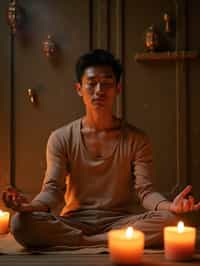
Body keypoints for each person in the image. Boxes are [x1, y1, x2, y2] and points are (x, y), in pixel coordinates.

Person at [2, 49, 200, 250]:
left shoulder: (136, 139)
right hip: (74, 222)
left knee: (171, 219)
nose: (99, 90)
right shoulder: (61, 137)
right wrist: (28, 207)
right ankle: (105, 241)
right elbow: (52, 191)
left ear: (118, 88)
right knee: (20, 223)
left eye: (106, 83)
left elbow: (146, 192)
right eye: (91, 83)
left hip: (121, 222)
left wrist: (170, 206)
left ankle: (86, 242)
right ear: (79, 88)